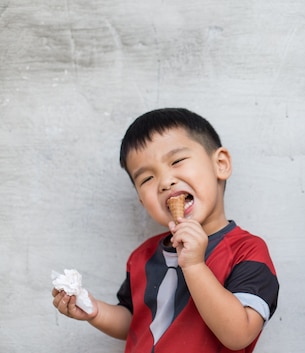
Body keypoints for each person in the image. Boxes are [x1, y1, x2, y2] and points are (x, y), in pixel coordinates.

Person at [52, 108, 279, 353]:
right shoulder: (142, 257)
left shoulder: (246, 250)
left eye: (177, 161)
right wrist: (94, 311)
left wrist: (194, 265)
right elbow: (136, 320)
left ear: (220, 164)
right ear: (141, 200)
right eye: (147, 179)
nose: (165, 182)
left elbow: (239, 334)